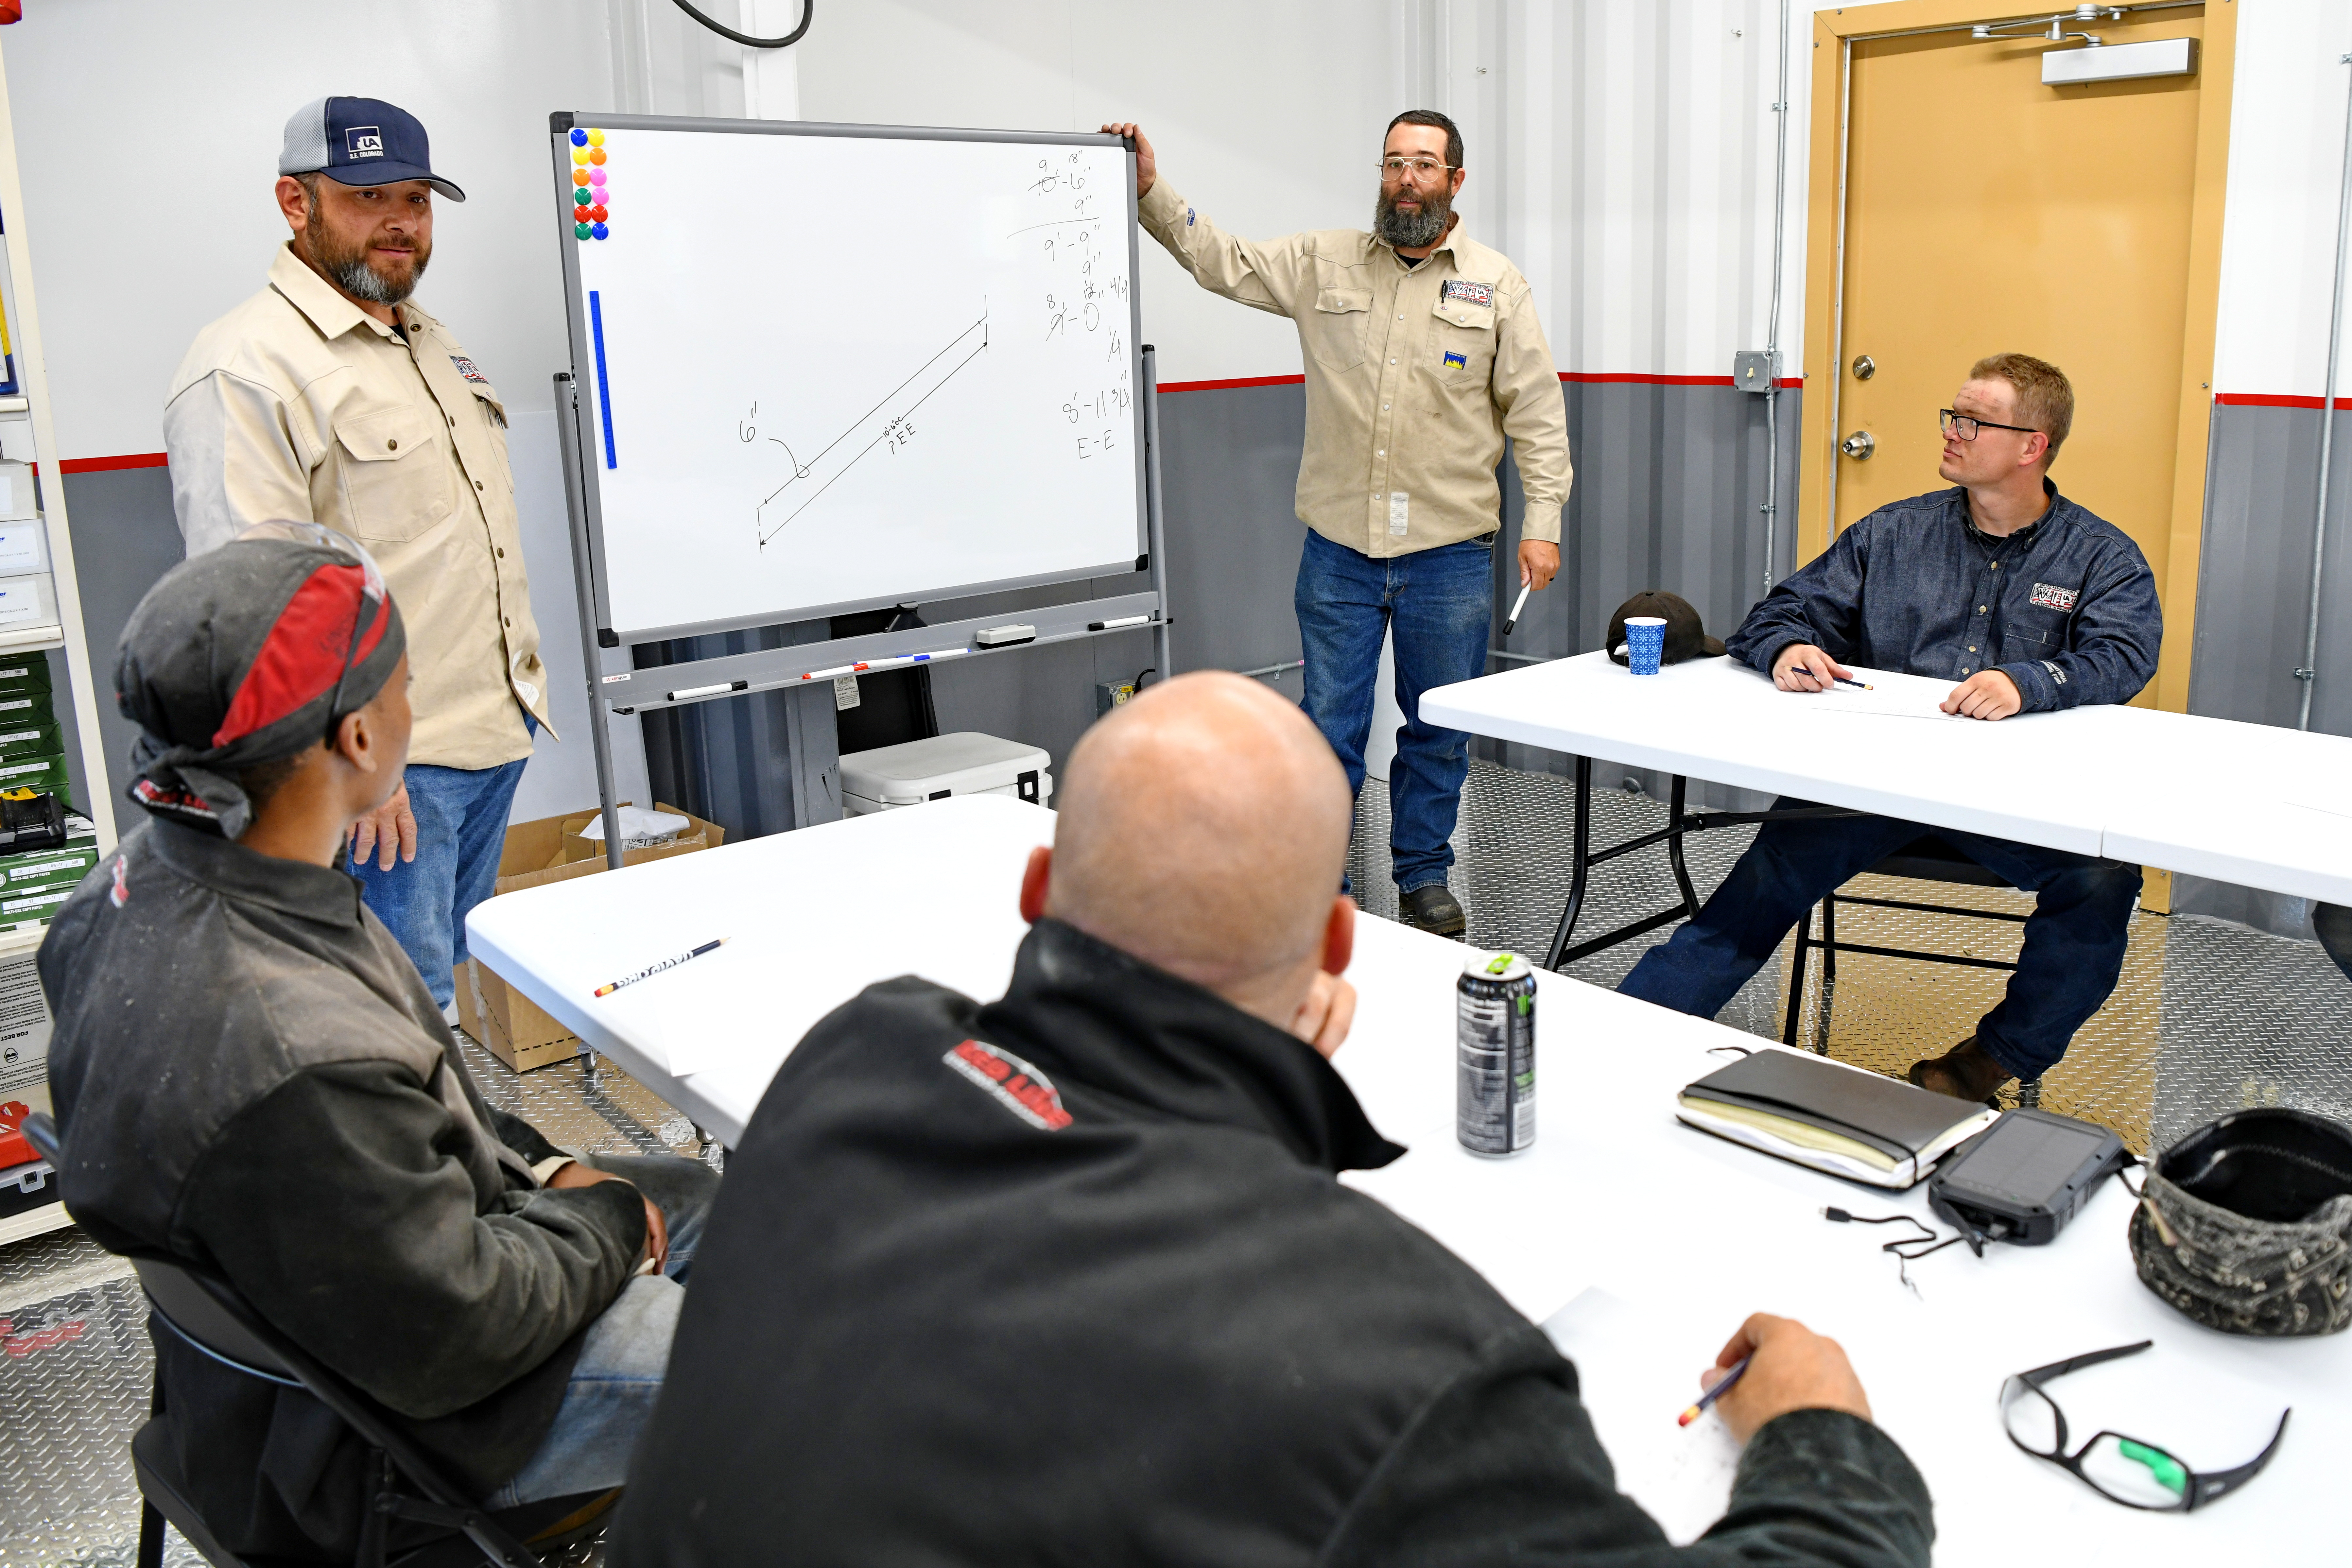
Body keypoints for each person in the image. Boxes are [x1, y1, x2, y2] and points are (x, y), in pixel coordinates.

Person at [607, 671, 1934, 1566]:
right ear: (1339, 947)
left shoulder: (856, 1052)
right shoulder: (1412, 1363)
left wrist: (1259, 1112)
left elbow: (1094, 1233)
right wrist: (1826, 1440)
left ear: (1032, 886)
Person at [41, 535, 716, 1561]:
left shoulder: (138, 884)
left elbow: (410, 1096)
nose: (417, 706)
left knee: (703, 1194)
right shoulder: (293, 1045)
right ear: (361, 736)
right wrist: (612, 1220)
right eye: (410, 684)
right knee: (795, 1361)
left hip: (309, 1320)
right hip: (401, 1433)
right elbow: (471, 1325)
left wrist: (540, 1167)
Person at [1620, 354, 2159, 1102]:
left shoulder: (2101, 557)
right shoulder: (1892, 534)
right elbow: (1777, 614)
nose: (1952, 433)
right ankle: (1625, 1031)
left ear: (2032, 445)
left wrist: (2024, 682)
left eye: (1974, 422)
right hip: (1871, 789)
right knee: (1763, 879)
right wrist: (1787, 648)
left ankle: (1986, 1061)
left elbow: (2124, 655)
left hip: (2010, 799)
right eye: (1952, 415)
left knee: (2102, 884)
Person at [1103, 111, 1573, 937]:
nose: (1405, 179)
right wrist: (1149, 189)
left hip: (1450, 554)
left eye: (1424, 165)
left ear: (1455, 182)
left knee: (1437, 727)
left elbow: (1535, 413)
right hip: (1339, 553)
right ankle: (1323, 877)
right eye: (1393, 163)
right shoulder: (1321, 262)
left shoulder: (1497, 286)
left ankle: (1424, 875)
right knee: (1328, 728)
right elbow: (1223, 262)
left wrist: (1544, 521)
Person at [163, 96, 550, 1017]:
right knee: (391, 1009)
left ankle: (447, 1150)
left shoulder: (422, 337)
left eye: (416, 199)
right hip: (384, 770)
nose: (400, 223)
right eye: (369, 196)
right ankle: (415, 1158)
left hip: (488, 733)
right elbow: (250, 601)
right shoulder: (247, 363)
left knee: (438, 991)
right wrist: (348, 762)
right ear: (296, 204)